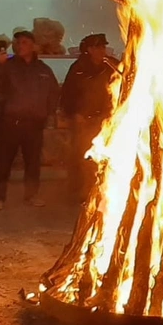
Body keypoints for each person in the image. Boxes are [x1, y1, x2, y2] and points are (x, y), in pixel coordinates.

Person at [0, 30, 59, 210]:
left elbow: (53, 92)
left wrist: (49, 114)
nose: (20, 46)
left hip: (34, 124)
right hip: (10, 123)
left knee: (33, 162)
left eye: (25, 42)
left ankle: (31, 195)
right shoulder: (7, 66)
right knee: (4, 161)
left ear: (34, 46)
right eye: (17, 42)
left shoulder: (43, 70)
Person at [59, 33, 118, 202]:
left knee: (105, 156)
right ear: (89, 50)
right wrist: (75, 114)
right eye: (98, 47)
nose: (102, 50)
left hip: (106, 119)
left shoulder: (111, 66)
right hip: (83, 120)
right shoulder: (79, 68)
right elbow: (68, 94)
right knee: (82, 156)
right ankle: (79, 192)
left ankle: (101, 190)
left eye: (103, 47)